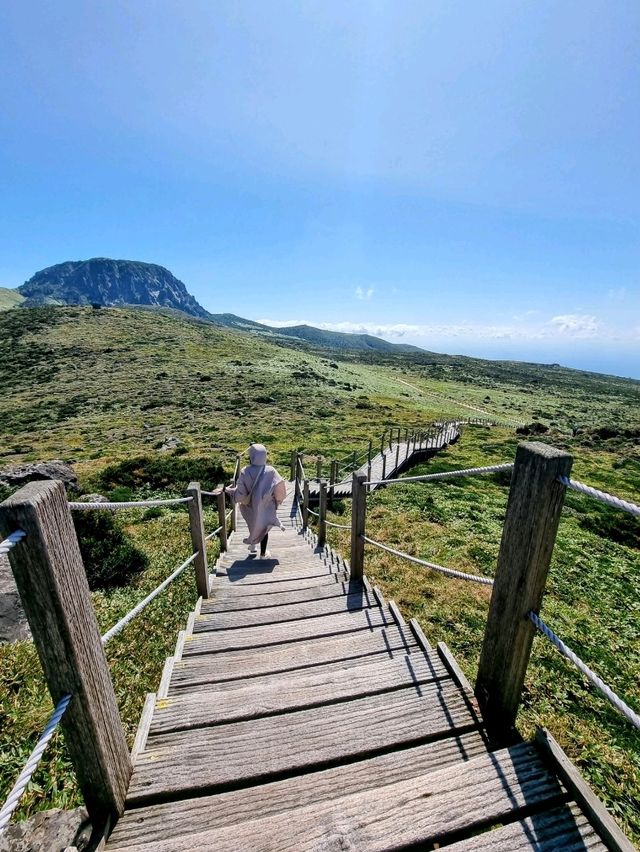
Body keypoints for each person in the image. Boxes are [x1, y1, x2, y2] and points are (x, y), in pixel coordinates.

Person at [226, 443, 286, 558]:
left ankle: (253, 545)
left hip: (251, 505)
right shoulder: (271, 471)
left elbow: (241, 493)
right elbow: (279, 486)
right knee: (264, 527)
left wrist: (231, 493)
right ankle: (263, 554)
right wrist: (278, 500)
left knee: (253, 523)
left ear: (251, 456)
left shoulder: (245, 471)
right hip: (266, 505)